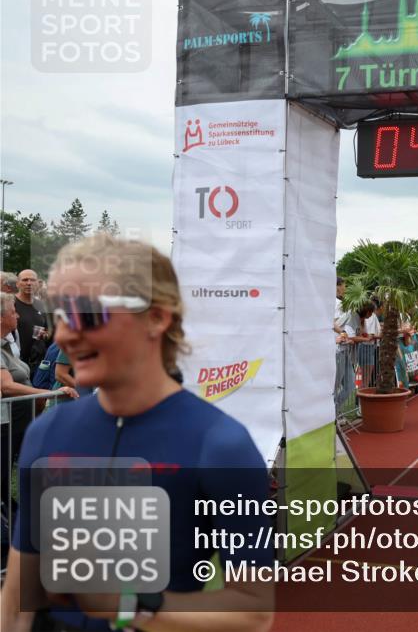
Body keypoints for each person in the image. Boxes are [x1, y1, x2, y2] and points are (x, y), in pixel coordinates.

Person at [1, 235, 273, 632]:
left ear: (157, 318)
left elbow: (253, 612)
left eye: (85, 313)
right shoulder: (48, 433)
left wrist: (128, 604)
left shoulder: (221, 445)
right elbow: (17, 602)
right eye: (60, 315)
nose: (63, 335)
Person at [1, 293, 79, 521]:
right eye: (12, 311)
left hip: (18, 421)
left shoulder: (9, 343)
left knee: (13, 472)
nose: (17, 315)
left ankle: (15, 516)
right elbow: (6, 386)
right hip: (7, 423)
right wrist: (49, 393)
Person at [13, 270, 50, 376]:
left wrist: (45, 335)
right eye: (25, 280)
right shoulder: (10, 303)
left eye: (32, 280)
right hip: (15, 362)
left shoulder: (42, 305)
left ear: (37, 284)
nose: (29, 283)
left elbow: (48, 330)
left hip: (36, 363)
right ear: (17, 283)